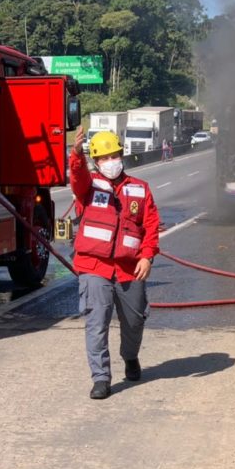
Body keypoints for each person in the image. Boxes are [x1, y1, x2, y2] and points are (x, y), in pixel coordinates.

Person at [70, 127, 161, 400]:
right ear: (96, 162)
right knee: (96, 323)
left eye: (115, 155)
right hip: (93, 267)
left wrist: (147, 256)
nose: (111, 161)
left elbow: (152, 225)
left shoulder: (139, 189)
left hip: (129, 267)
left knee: (134, 321)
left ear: (121, 155)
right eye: (104, 157)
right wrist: (75, 154)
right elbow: (77, 176)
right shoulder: (89, 186)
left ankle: (130, 357)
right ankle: (101, 378)